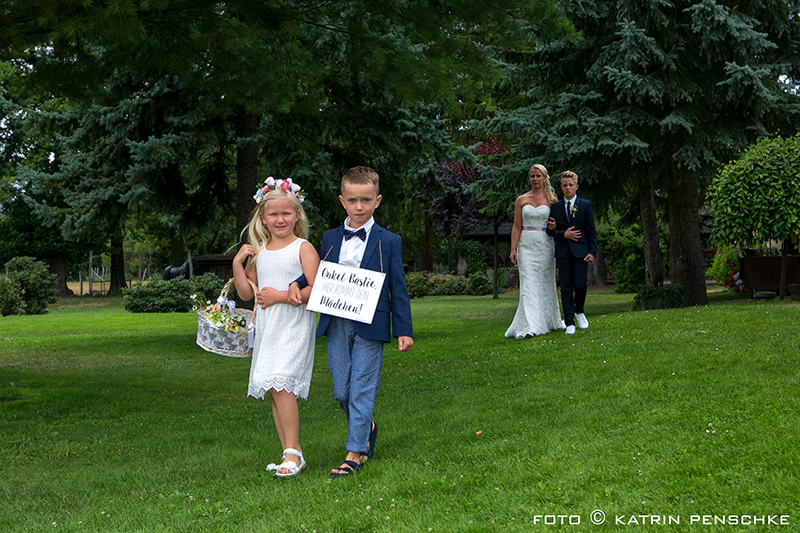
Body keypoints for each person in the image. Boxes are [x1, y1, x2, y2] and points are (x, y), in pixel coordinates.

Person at [290, 166, 414, 478]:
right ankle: (366, 426)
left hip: (372, 323)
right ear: (342, 201)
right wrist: (296, 283)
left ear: (377, 201)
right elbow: (317, 271)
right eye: (353, 200)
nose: (360, 206)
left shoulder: (390, 241)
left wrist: (404, 330)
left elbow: (398, 288)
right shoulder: (331, 237)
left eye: (366, 200)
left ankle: (355, 452)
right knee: (341, 392)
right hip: (335, 319)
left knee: (361, 387)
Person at [232, 178, 320, 477]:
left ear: (297, 215)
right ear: (262, 217)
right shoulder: (260, 251)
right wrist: (238, 264)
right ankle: (288, 453)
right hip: (269, 327)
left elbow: (316, 290)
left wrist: (280, 296)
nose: (280, 219)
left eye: (286, 213)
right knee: (274, 387)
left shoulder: (303, 248)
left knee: (282, 385)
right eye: (273, 214)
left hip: (293, 323)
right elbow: (246, 293)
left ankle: (293, 452)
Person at [505, 164, 566, 338]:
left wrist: (555, 225)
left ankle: (547, 320)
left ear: (545, 178)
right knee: (528, 283)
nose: (535, 179)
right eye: (532, 176)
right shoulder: (521, 200)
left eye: (538, 176)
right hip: (526, 244)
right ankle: (530, 325)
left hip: (545, 244)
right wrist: (513, 249)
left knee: (545, 283)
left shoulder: (552, 200)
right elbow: (517, 226)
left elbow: (560, 224)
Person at [546, 170, 597, 335]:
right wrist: (563, 234)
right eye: (565, 185)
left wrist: (592, 251)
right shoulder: (556, 207)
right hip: (563, 252)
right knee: (566, 287)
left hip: (581, 251)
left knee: (580, 284)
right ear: (561, 187)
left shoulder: (585, 205)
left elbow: (591, 231)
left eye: (571, 185)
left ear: (576, 186)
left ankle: (579, 311)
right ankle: (569, 322)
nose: (568, 188)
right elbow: (550, 231)